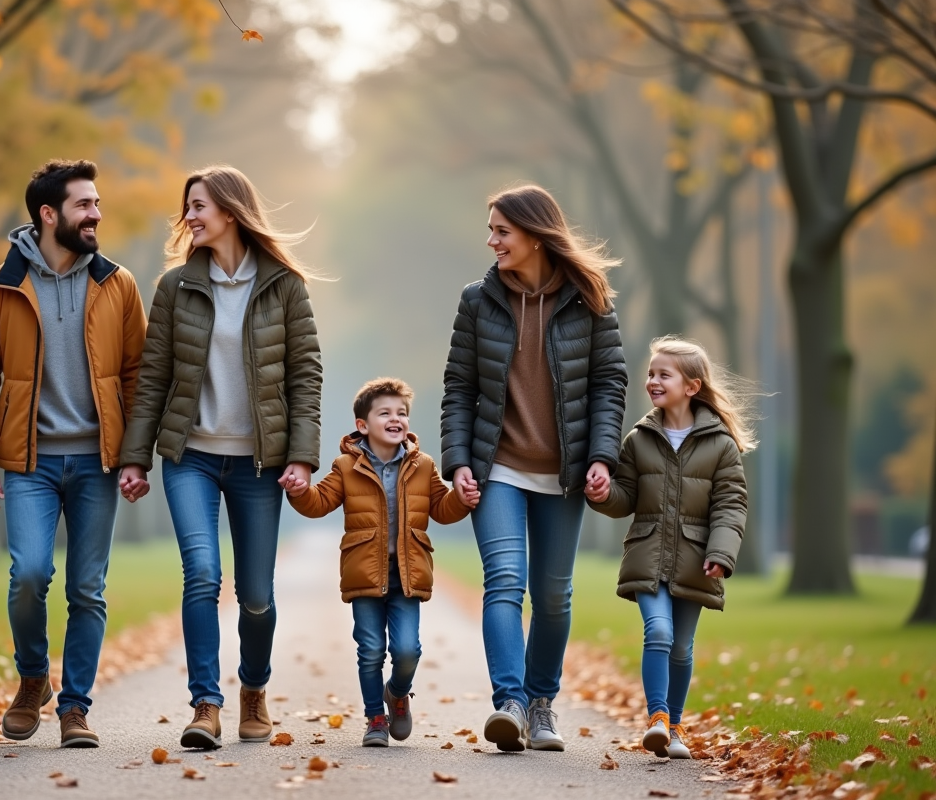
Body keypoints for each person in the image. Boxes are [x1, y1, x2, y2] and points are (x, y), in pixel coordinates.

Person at [118, 165, 322, 750]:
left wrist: (301, 456)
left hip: (259, 464)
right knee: (203, 574)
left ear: (230, 212)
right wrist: (136, 458)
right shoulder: (175, 287)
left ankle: (253, 690)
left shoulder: (284, 286)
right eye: (188, 207)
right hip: (192, 458)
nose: (189, 217)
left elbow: (305, 375)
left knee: (256, 595)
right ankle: (205, 703)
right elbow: (153, 378)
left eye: (199, 206)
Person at [0, 159, 146, 748]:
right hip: (28, 462)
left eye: (97, 203)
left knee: (87, 589)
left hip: (97, 462)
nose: (96, 214)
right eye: (84, 205)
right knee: (30, 575)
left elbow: (139, 375)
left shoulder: (118, 284)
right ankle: (33, 676)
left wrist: (136, 455)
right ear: (48, 214)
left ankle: (75, 709)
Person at [440, 184, 628, 752]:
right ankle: (511, 703)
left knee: (552, 596)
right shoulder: (478, 300)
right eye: (491, 230)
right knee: (503, 582)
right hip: (497, 466)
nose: (491, 241)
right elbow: (459, 387)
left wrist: (602, 456)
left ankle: (542, 703)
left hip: (564, 473)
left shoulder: (589, 299)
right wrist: (458, 462)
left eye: (502, 231)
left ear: (536, 236)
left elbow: (609, 383)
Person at [285, 378, 476, 747]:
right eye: (385, 413)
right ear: (363, 424)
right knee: (370, 650)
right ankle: (375, 718)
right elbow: (319, 502)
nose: (395, 419)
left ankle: (398, 693)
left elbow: (441, 507)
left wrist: (462, 499)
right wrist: (300, 492)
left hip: (408, 573)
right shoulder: (346, 466)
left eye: (401, 413)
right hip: (365, 573)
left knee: (407, 650)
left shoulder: (423, 465)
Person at [587, 336, 751, 759]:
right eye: (650, 374)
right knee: (658, 631)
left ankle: (675, 727)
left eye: (664, 375)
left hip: (696, 559)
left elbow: (731, 504)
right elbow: (625, 497)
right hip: (648, 555)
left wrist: (721, 552)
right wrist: (603, 494)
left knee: (681, 647)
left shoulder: (721, 445)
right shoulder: (639, 439)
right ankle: (657, 718)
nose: (653, 381)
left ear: (692, 386)